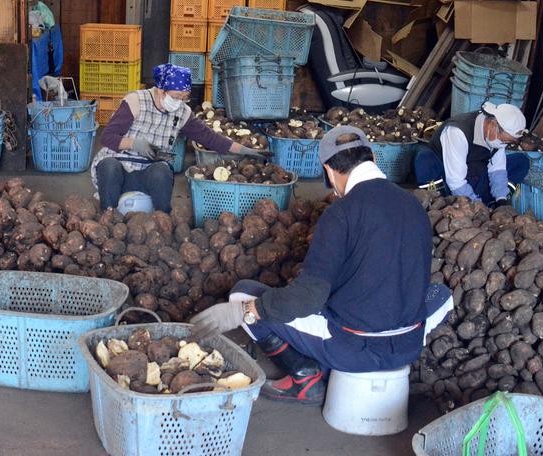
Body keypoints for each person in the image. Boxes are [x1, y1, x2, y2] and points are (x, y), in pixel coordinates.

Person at [191, 127, 453, 405]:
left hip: (354, 347)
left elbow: (306, 298)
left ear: (328, 171)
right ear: (373, 157)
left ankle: (305, 375)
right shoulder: (413, 204)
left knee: (243, 292)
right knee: (441, 294)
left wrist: (244, 311)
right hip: (408, 344)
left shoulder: (340, 214)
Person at [91, 63, 268, 212]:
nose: (179, 102)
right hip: (120, 170)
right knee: (108, 166)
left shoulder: (182, 112)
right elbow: (107, 138)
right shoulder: (136, 101)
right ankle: (108, 216)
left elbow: (209, 138)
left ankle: (162, 220)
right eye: (176, 97)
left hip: (147, 173)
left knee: (162, 171)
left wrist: (244, 150)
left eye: (184, 98)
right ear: (161, 90)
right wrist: (134, 144)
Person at [414, 102, 529, 206]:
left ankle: (492, 203)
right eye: (503, 140)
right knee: (425, 158)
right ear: (493, 125)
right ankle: (442, 204)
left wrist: (501, 199)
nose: (503, 144)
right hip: (447, 180)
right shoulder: (458, 131)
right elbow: (456, 181)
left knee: (521, 161)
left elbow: (497, 170)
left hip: (474, 175)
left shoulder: (497, 139)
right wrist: (476, 205)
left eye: (508, 142)